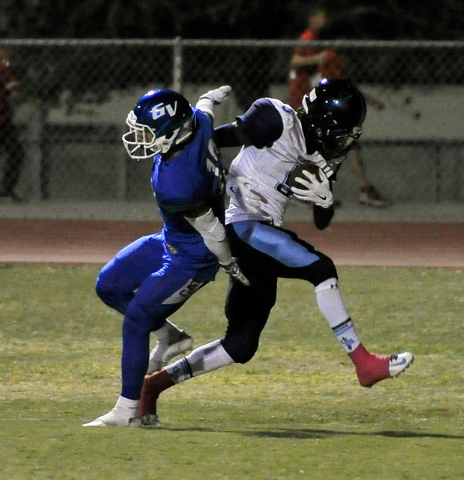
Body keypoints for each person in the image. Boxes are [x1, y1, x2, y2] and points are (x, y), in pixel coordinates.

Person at [138, 78, 414, 427]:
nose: (344, 140)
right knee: (321, 268)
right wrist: (190, 155)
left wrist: (325, 200)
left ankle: (152, 388)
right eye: (342, 131)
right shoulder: (277, 119)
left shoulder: (319, 156)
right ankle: (364, 363)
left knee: (241, 344)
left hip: (261, 237)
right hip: (241, 225)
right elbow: (220, 138)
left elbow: (322, 219)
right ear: (324, 121)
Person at [82, 85, 250, 427]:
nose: (139, 138)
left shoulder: (180, 180)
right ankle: (171, 336)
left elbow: (214, 232)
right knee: (108, 286)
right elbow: (204, 108)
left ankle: (127, 411)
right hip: (172, 238)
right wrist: (213, 95)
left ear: (171, 132)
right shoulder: (196, 125)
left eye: (146, 131)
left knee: (137, 321)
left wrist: (228, 264)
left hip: (194, 256)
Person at [287, 5, 389, 208]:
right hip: (308, 101)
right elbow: (296, 62)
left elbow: (338, 82)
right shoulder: (315, 44)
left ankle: (308, 190)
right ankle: (359, 189)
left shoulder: (325, 51)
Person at [0, 47, 25, 202]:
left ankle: (6, 189)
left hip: (3, 119)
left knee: (16, 152)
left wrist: (11, 88)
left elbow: (12, 85)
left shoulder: (5, 65)